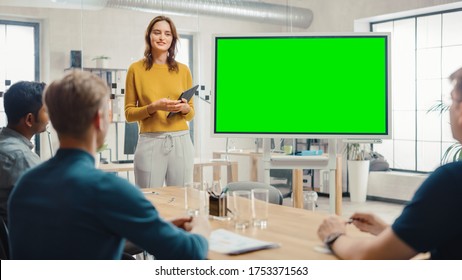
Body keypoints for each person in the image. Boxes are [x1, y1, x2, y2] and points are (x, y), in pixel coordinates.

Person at [8, 70, 210, 260]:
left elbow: (77, 239)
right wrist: (202, 228)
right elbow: (189, 252)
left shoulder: (26, 185)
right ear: (99, 119)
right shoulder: (110, 190)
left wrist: (155, 227)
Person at [317, 67, 462, 260]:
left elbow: (370, 258)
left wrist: (334, 236)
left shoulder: (452, 181)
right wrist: (392, 232)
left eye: (452, 100)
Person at [125, 15, 195, 188]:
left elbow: (191, 114)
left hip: (181, 141)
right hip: (150, 141)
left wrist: (185, 108)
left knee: (182, 199)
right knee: (149, 199)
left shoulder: (183, 70)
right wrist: (153, 107)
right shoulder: (135, 69)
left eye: (167, 34)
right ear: (149, 36)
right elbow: (128, 114)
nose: (162, 37)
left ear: (173, 39)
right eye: (157, 33)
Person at [0, 81, 48, 224]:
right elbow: (49, 205)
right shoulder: (20, 158)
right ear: (29, 119)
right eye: (46, 111)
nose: (49, 117)